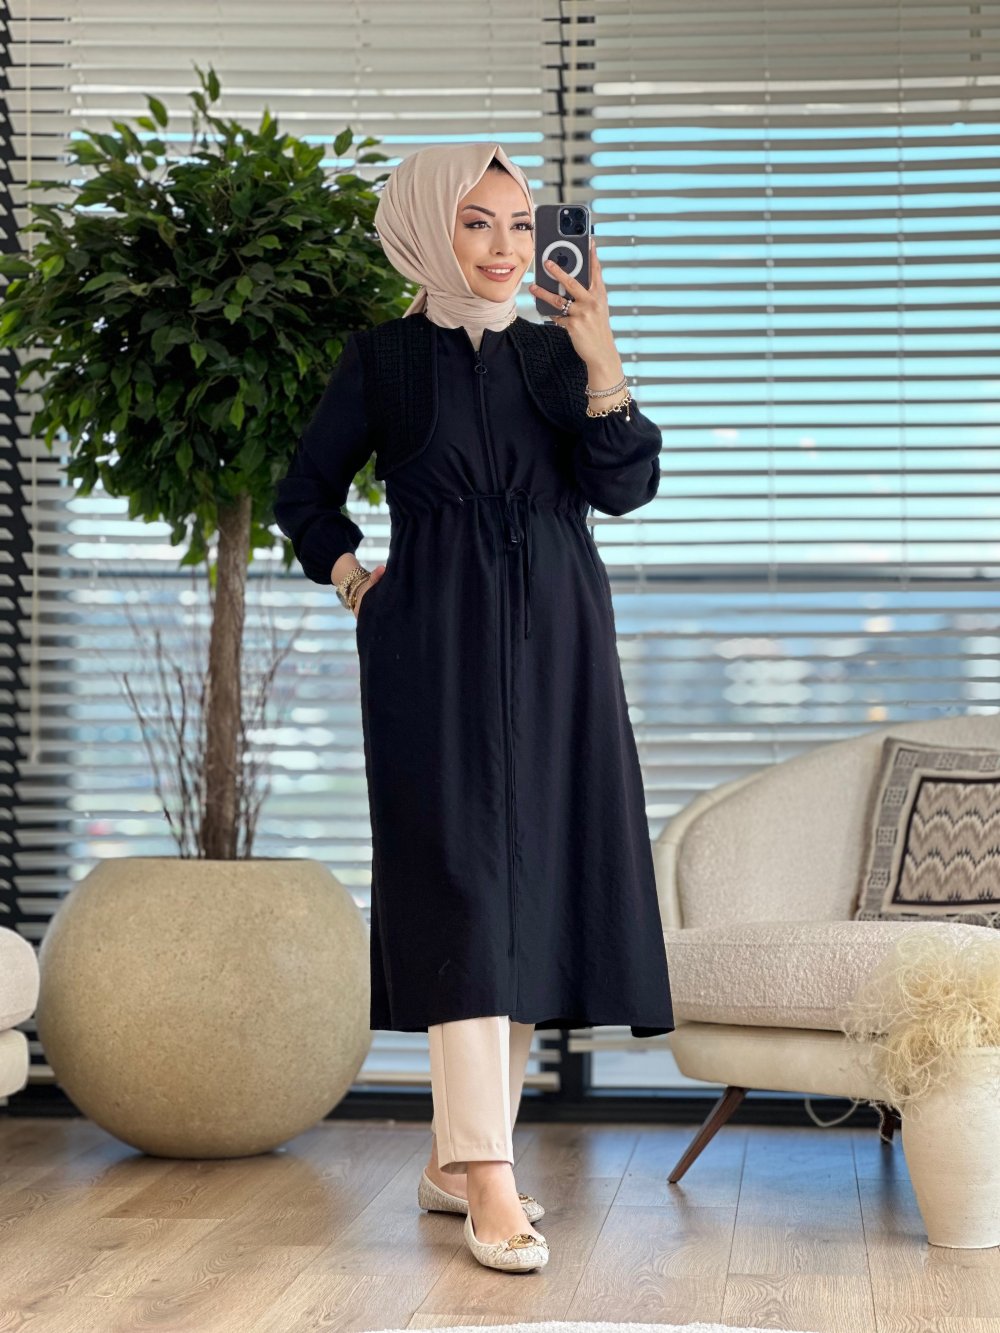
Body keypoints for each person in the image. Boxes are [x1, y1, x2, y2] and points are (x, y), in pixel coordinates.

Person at [273, 142, 673, 1273]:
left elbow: (625, 487)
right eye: (476, 223)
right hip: (432, 645)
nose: (504, 248)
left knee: (527, 889)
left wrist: (601, 354)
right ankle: (489, 1174)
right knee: (460, 888)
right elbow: (306, 493)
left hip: (559, 644)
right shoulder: (386, 359)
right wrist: (353, 579)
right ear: (425, 231)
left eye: (519, 224)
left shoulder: (556, 355)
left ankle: (456, 1164)